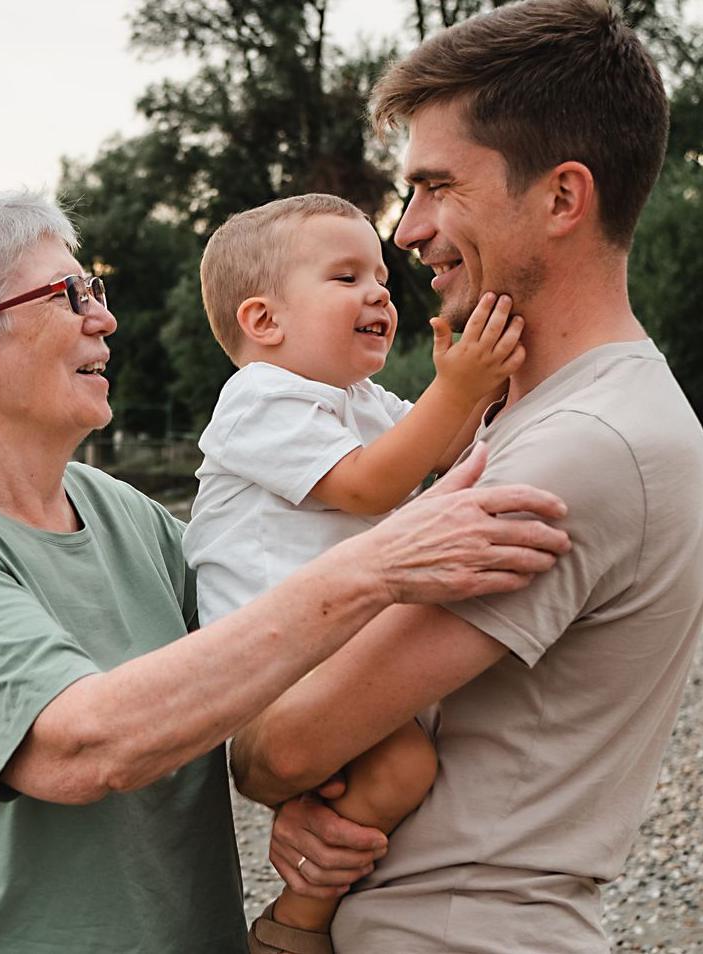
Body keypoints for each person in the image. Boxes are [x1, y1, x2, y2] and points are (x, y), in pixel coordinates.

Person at [0, 190, 573, 953]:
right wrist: (374, 568)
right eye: (66, 294)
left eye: (96, 291)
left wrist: (317, 791)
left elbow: (242, 667)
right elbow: (82, 748)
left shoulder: (122, 514)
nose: (103, 317)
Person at [229, 2, 703, 952]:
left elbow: (281, 745)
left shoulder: (586, 444)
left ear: (562, 198)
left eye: (435, 187)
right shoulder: (531, 414)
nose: (406, 231)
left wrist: (287, 768)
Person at [183, 192, 524, 950]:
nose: (377, 290)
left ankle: (350, 896)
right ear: (263, 321)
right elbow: (370, 484)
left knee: (408, 761)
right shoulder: (258, 400)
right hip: (275, 668)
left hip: (333, 649)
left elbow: (438, 451)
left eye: (377, 274)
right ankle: (294, 923)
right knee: (403, 767)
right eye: (344, 278)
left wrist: (470, 393)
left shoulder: (359, 399)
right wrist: (457, 391)